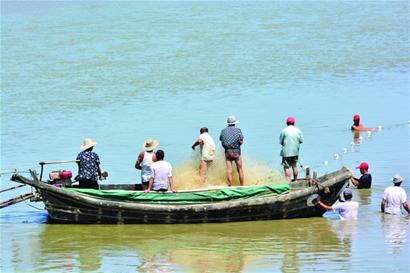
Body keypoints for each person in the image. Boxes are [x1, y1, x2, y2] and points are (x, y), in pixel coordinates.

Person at [219, 116, 244, 186]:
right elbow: (241, 141)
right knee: (240, 169)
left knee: (229, 170)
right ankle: (242, 185)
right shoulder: (238, 130)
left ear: (227, 123)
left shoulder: (223, 131)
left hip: (228, 151)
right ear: (235, 123)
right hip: (237, 151)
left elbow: (221, 139)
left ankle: (230, 185)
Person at [279, 117, 303, 181]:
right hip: (295, 152)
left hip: (286, 152)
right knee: (294, 165)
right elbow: (301, 141)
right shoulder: (298, 130)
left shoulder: (284, 131)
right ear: (294, 123)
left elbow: (280, 142)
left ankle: (288, 181)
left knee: (286, 167)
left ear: (287, 123)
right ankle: (295, 180)